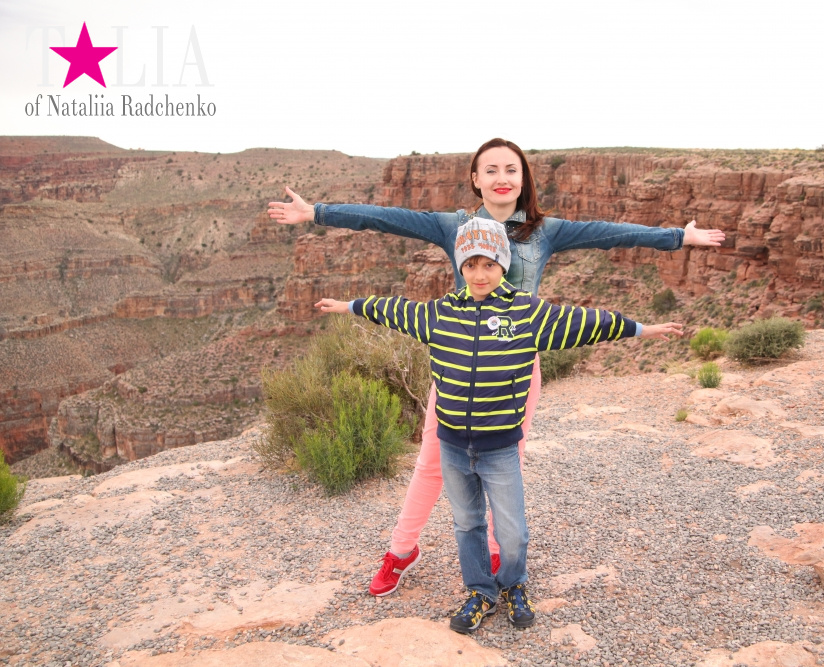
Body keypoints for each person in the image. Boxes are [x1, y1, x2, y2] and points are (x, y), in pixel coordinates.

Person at [268, 138, 725, 596]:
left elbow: (612, 233)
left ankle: (491, 549)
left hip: (517, 369)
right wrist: (317, 213)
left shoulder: (547, 232)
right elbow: (387, 219)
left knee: (507, 462)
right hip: (457, 365)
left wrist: (678, 238)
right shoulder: (454, 226)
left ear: (523, 178)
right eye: (491, 170)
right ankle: (402, 549)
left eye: (511, 169)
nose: (502, 178)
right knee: (431, 462)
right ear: (475, 179)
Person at [314, 216, 686, 633]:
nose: (479, 274)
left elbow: (585, 322)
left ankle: (513, 584)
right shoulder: (438, 315)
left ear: (503, 265)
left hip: (500, 447)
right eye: (470, 265)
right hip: (452, 445)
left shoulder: (526, 314)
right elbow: (392, 309)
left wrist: (642, 329)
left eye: (489, 264)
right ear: (460, 267)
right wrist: (347, 306)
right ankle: (480, 592)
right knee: (467, 524)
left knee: (511, 531)